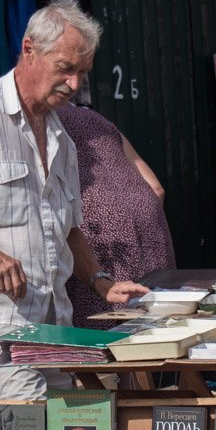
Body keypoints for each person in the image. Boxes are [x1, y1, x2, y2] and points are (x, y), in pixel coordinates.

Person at [0, 2, 148, 400]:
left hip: (52, 318)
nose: (74, 84)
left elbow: (69, 227)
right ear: (29, 50)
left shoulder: (62, 140)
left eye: (82, 73)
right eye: (65, 68)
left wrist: (100, 281)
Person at [56, 101, 176, 329]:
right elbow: (156, 188)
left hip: (93, 224)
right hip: (148, 218)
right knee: (155, 326)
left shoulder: (44, 121)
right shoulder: (98, 120)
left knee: (106, 333)